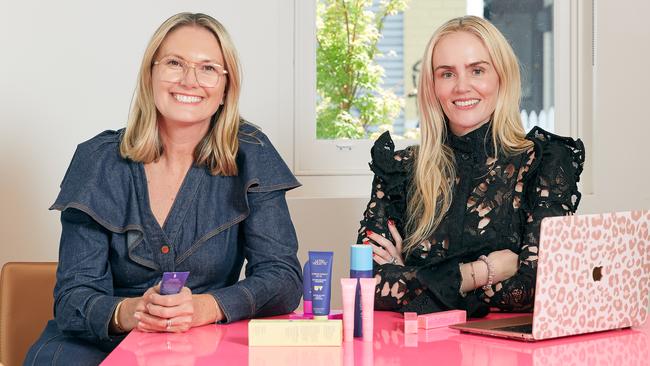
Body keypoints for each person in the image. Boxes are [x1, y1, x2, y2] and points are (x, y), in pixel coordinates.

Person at [26, 12, 302, 364]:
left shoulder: (252, 153)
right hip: (96, 347)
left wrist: (205, 307)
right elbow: (73, 298)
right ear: (150, 75)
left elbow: (283, 280)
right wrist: (131, 312)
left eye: (208, 68)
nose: (190, 80)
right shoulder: (96, 161)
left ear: (224, 89)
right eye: (174, 63)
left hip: (203, 343)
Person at [357, 16, 585, 317]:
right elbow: (367, 285)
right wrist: (481, 272)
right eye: (447, 74)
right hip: (414, 350)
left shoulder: (543, 163)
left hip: (507, 355)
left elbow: (538, 287)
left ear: (501, 77)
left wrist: (410, 275)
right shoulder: (400, 170)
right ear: (433, 85)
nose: (462, 87)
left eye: (477, 70)